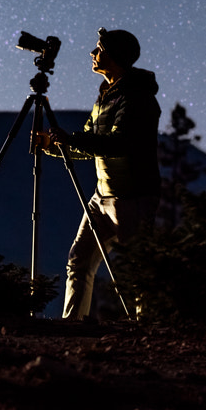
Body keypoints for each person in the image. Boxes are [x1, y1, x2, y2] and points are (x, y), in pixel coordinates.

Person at [34, 28, 161, 320]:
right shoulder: (105, 97)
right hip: (101, 196)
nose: (92, 53)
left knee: (138, 268)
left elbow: (120, 143)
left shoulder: (137, 98)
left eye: (99, 48)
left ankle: (147, 329)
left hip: (133, 197)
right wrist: (52, 146)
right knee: (78, 261)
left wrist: (71, 139)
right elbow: (91, 145)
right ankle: (72, 324)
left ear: (115, 55)